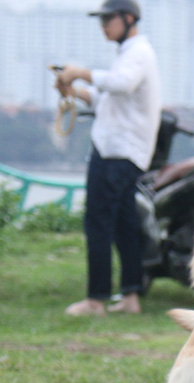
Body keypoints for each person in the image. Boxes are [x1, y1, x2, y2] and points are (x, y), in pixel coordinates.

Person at [56, 0, 161, 316]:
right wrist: (73, 89)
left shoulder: (138, 53)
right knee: (123, 225)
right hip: (123, 151)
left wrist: (80, 73)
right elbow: (107, 97)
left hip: (116, 152)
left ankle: (96, 299)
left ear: (128, 19)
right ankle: (131, 296)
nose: (104, 25)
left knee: (99, 223)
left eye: (109, 19)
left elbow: (121, 83)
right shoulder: (129, 54)